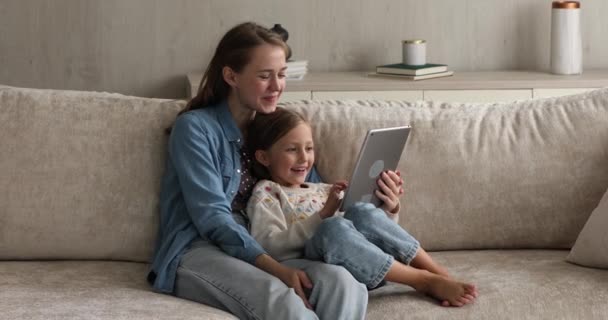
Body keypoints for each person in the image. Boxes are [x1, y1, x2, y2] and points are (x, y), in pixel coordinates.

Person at [147, 22, 368, 320]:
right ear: (231, 76)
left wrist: (383, 204)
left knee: (344, 284)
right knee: (287, 305)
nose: (277, 86)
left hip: (266, 246)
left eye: (281, 75)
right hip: (200, 248)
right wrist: (277, 269)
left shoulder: (273, 129)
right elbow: (211, 218)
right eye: (264, 76)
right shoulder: (195, 129)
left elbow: (309, 196)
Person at [246, 107, 479, 307]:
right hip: (321, 264)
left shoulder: (323, 188)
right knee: (332, 227)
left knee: (360, 210)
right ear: (264, 157)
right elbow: (268, 246)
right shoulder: (267, 192)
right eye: (291, 149)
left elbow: (366, 231)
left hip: (369, 263)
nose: (304, 158)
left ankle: (438, 273)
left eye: (309, 148)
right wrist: (323, 215)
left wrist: (389, 206)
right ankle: (422, 280)